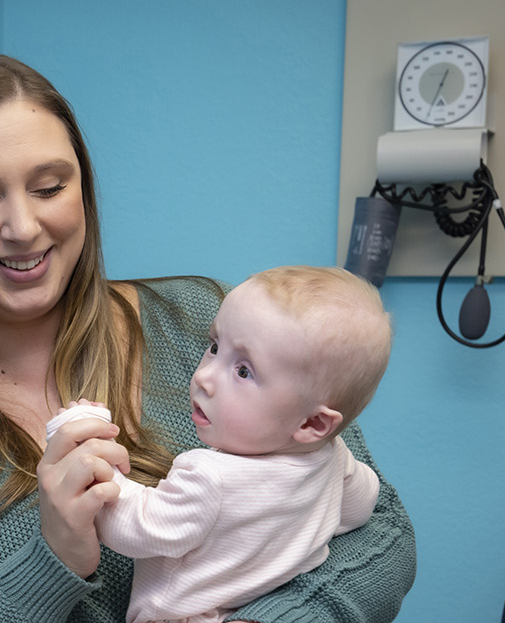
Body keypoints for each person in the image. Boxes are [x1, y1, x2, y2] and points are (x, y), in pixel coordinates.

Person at [0, 55, 415, 622]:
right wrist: (48, 565)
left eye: (49, 188)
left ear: (84, 190)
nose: (23, 227)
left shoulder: (213, 325)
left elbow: (382, 534)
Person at [47, 265, 390, 623]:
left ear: (312, 424)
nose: (204, 377)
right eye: (214, 347)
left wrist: (90, 458)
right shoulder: (336, 460)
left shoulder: (209, 476)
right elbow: (361, 508)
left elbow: (135, 528)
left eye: (243, 371)